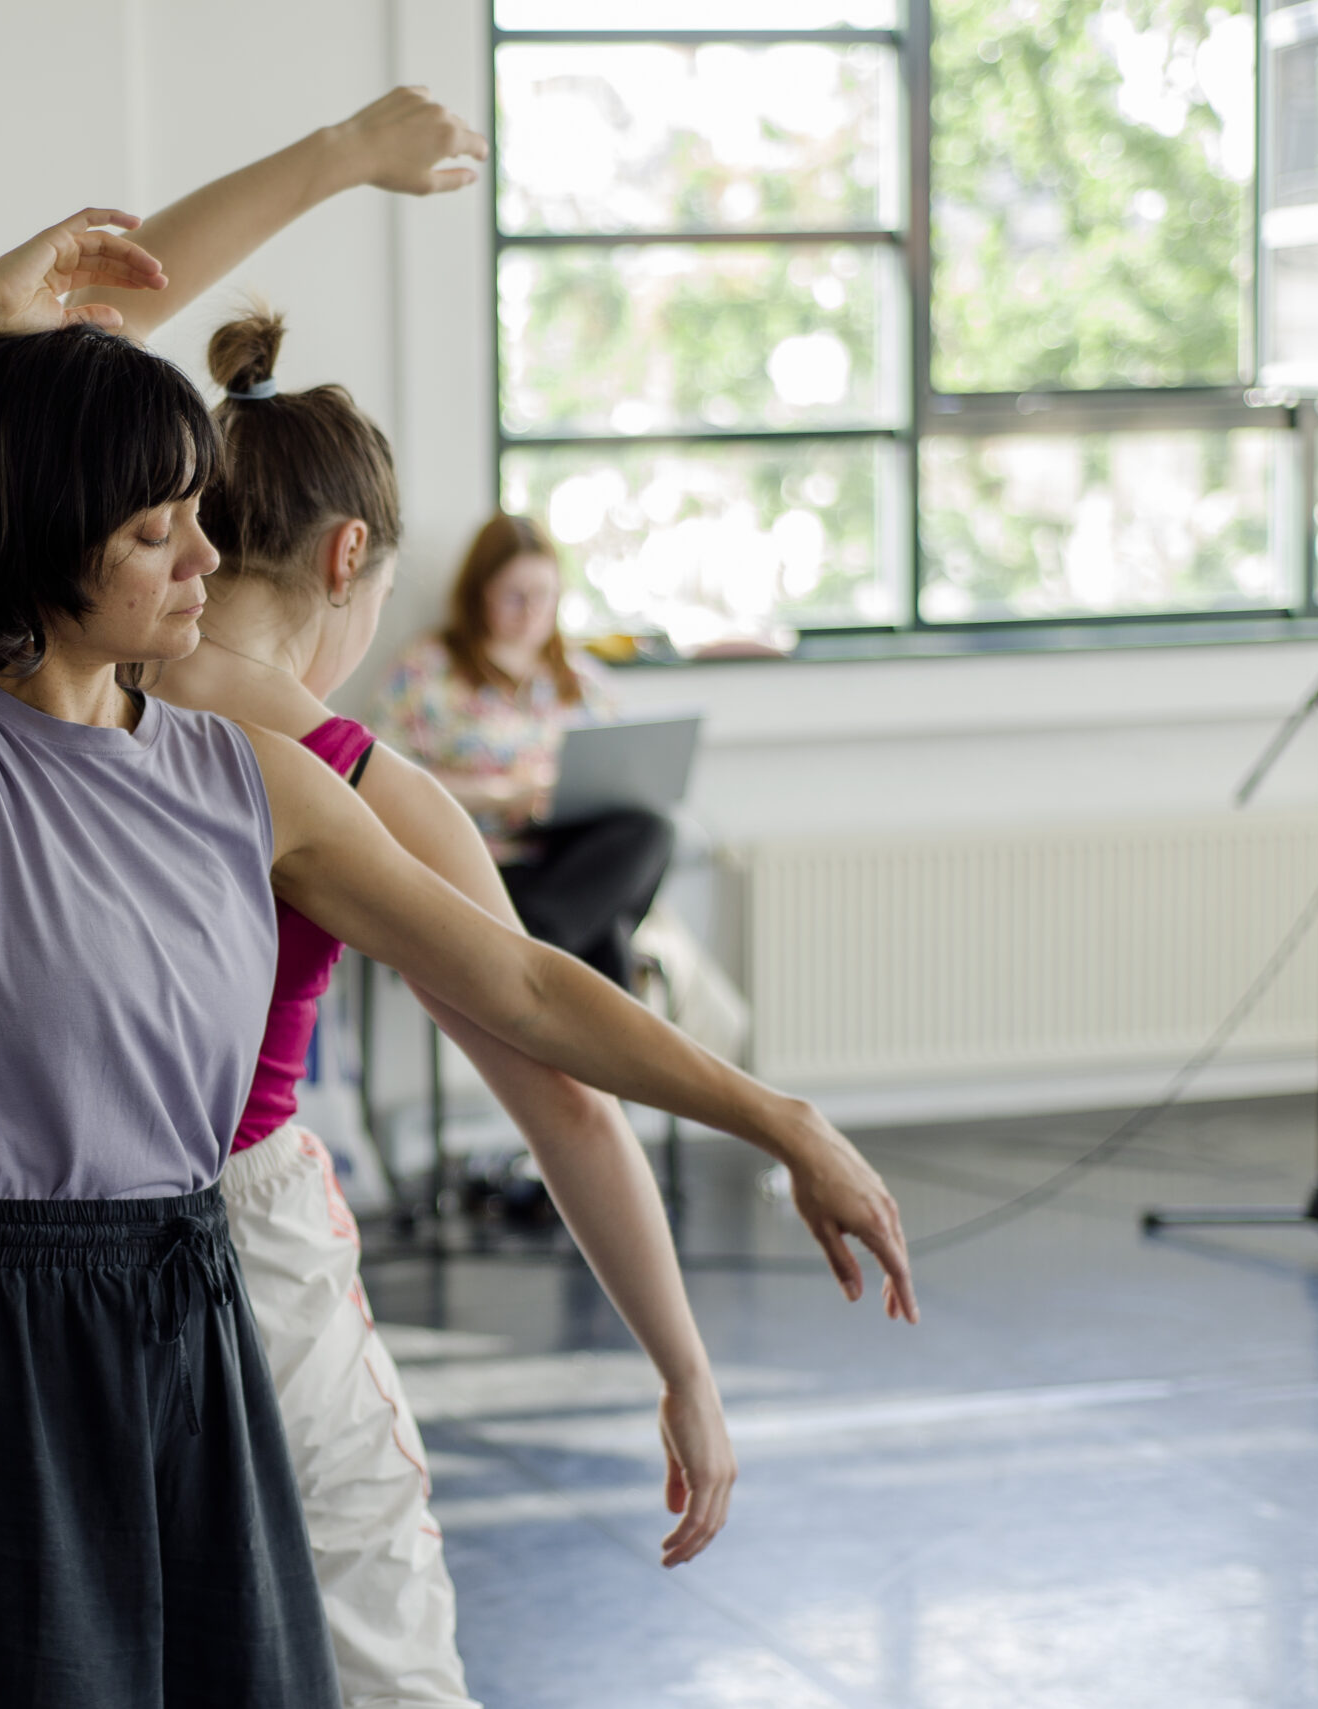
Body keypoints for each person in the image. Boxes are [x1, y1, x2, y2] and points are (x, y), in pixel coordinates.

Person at [0, 198, 905, 1709]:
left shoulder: (253, 781)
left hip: (200, 1300)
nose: (205, 559)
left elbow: (524, 983)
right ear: (46, 545)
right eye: (157, 532)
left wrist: (777, 1116)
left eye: (198, 517)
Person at [64, 149, 916, 1703]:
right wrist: (684, 1364)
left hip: (40, 1257)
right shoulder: (346, 779)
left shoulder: (72, 686)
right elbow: (562, 1085)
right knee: (377, 1653)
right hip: (241, 1238)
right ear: (347, 561)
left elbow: (69, 315)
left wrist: (332, 156)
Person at [379, 514, 672, 992]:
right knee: (608, 940)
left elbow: (620, 772)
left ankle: (532, 948)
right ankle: (548, 957)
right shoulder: (426, 672)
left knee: (653, 830)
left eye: (546, 596)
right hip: (480, 864)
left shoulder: (579, 681)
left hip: (564, 857)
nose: (532, 611)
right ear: (480, 593)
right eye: (516, 596)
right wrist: (499, 794)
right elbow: (380, 779)